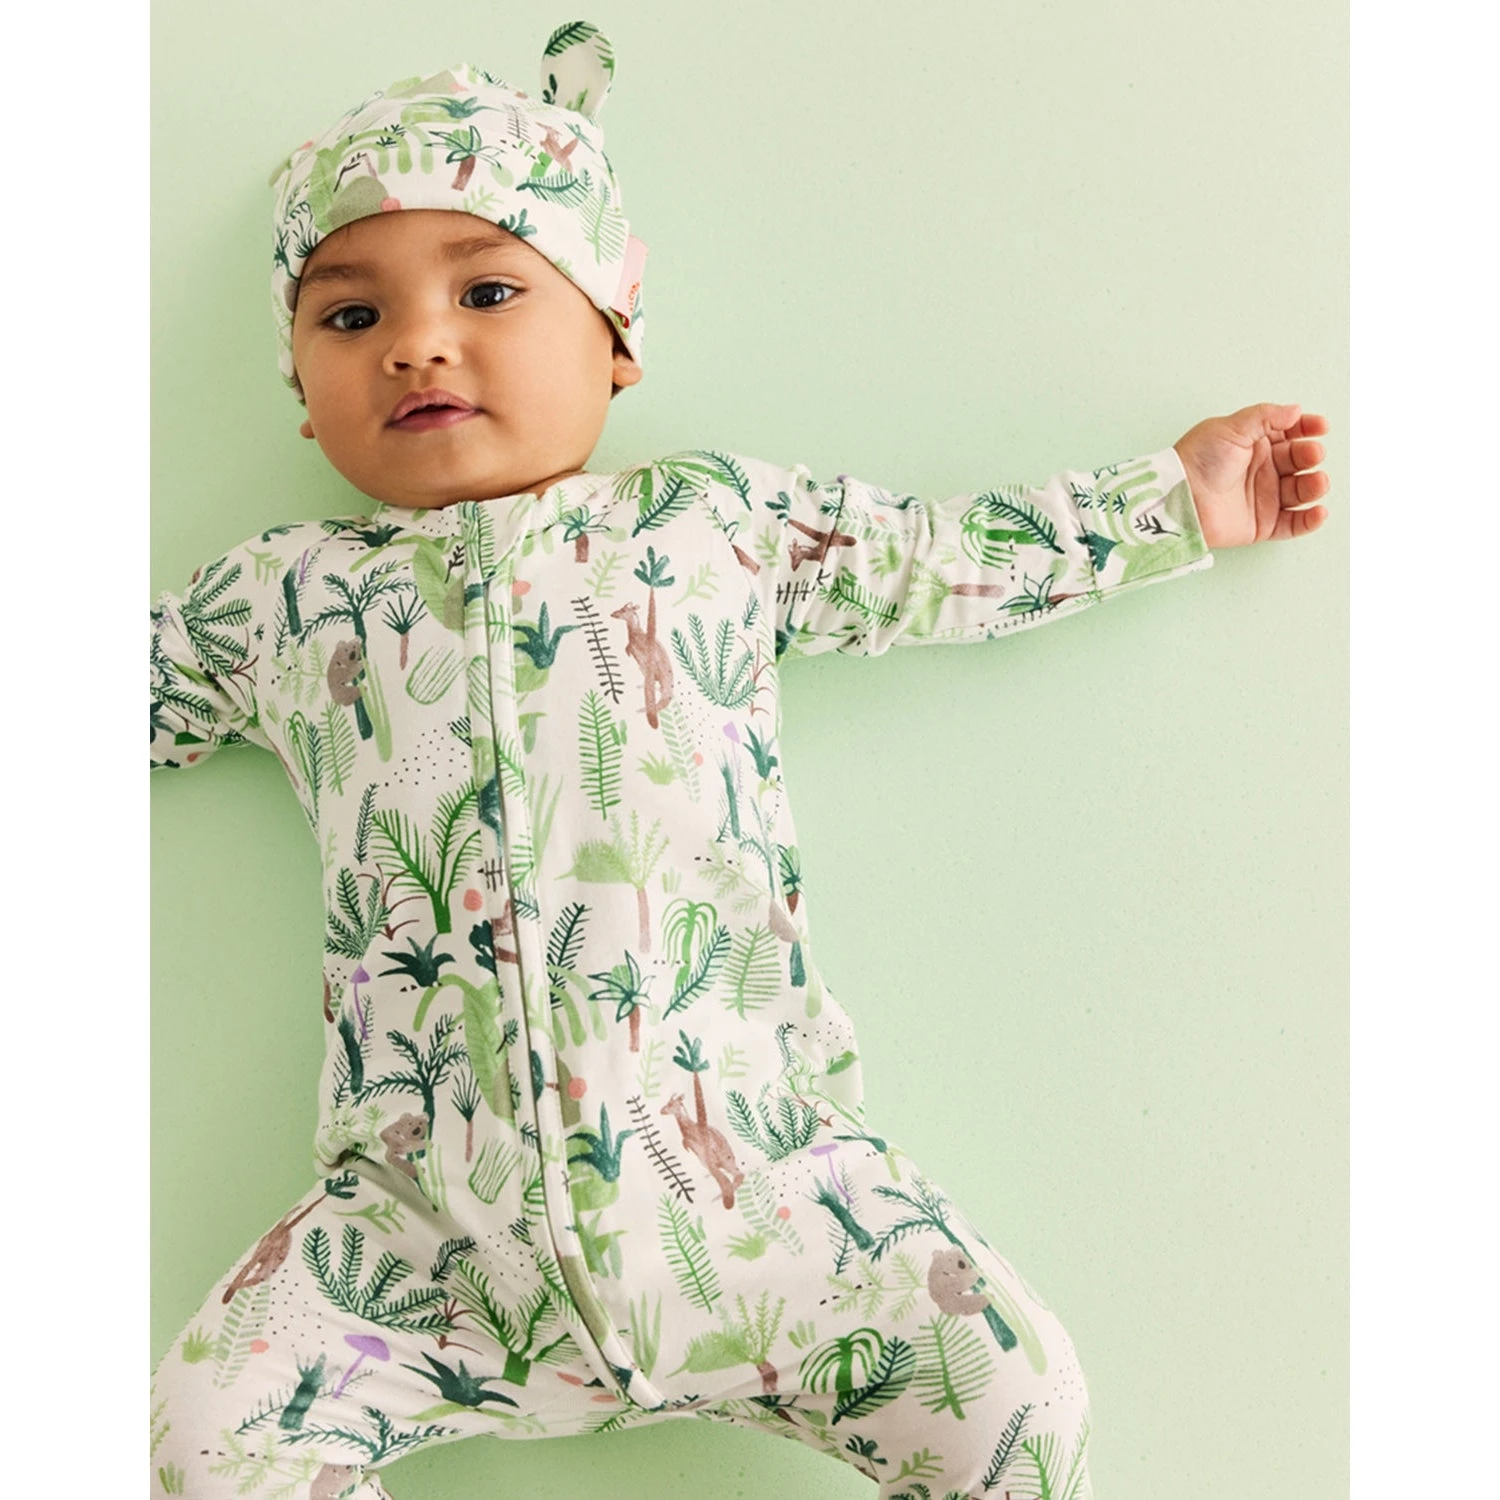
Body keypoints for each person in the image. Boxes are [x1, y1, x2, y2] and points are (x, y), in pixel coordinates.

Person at [149, 22, 1330, 1500]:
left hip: (758, 1190)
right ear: (296, 386)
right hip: (419, 1239)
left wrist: (1169, 502)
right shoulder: (281, 598)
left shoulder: (706, 525)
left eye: (490, 289)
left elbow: (930, 559)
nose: (417, 342)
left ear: (615, 336)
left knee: (1016, 1404)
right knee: (204, 1435)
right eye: (346, 316)